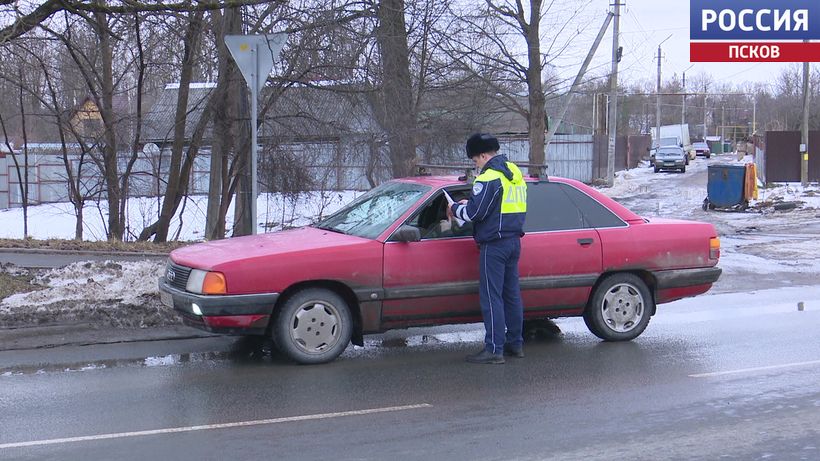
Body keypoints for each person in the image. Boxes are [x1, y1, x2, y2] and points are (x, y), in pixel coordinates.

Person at [448, 133, 527, 364]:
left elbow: (474, 214)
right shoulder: (514, 173)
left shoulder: (489, 178)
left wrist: (455, 207)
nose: (476, 165)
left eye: (475, 160)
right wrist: (471, 203)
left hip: (493, 245)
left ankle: (494, 349)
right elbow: (499, 206)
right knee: (511, 295)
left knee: (492, 297)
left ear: (483, 155)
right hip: (514, 241)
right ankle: (516, 344)